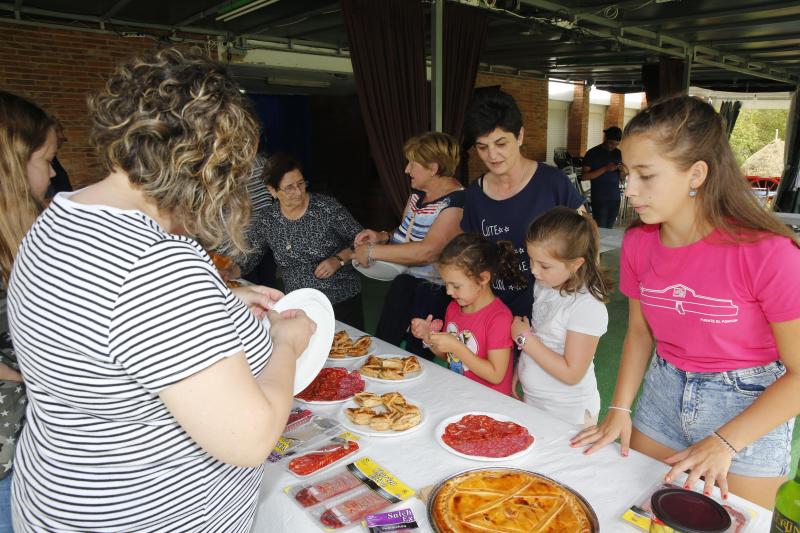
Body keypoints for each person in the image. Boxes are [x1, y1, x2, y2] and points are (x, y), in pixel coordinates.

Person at [7, 48, 315, 531]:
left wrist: (220, 300)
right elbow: (249, 437)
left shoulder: (61, 217)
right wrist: (285, 344)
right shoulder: (154, 262)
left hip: (65, 495)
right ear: (205, 166)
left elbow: (103, 319)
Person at [571, 95, 800, 509]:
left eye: (646, 175)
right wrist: (620, 407)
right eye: (627, 174)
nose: (631, 189)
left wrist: (725, 442)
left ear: (696, 174)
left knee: (734, 521)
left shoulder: (769, 252)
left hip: (747, 406)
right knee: (640, 513)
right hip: (663, 392)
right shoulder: (639, 243)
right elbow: (639, 333)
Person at [461, 90, 585, 318]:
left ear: (519, 136)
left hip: (552, 310)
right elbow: (472, 254)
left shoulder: (553, 182)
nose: (492, 155)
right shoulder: (474, 195)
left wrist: (583, 299)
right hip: (498, 311)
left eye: (501, 143)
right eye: (482, 147)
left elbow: (587, 236)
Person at [0, 89, 57, 533]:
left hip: (34, 439)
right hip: (7, 454)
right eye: (46, 160)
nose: (53, 173)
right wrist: (35, 378)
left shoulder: (23, 236)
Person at [354, 132, 464, 357]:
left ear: (433, 168)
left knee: (418, 354)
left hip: (435, 291)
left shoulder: (458, 201)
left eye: (413, 163)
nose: (407, 169)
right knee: (383, 345)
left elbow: (428, 250)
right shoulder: (418, 196)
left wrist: (373, 251)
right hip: (405, 282)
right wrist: (382, 236)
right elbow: (406, 234)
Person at [510, 207, 611, 426]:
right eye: (531, 260)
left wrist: (524, 340)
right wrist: (522, 366)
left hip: (568, 415)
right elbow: (545, 337)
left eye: (544, 265)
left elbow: (571, 373)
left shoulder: (587, 306)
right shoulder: (546, 284)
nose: (534, 271)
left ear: (576, 264)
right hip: (536, 403)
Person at [410, 233, 522, 395]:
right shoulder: (453, 308)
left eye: (456, 286)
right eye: (446, 284)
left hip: (490, 403)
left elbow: (496, 375)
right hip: (459, 393)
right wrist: (430, 338)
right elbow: (451, 358)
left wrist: (457, 346)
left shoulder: (499, 318)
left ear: (483, 278)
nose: (448, 291)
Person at [263, 153, 365, 329]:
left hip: (340, 300)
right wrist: (230, 268)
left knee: (348, 351)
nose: (298, 192)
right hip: (299, 306)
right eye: (289, 187)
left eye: (301, 183)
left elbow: (363, 240)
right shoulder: (268, 219)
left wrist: (338, 260)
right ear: (272, 190)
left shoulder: (327, 208)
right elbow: (249, 255)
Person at [581, 126, 624, 229]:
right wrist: (605, 168)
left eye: (616, 144)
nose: (613, 147)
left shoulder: (618, 153)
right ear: (605, 138)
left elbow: (622, 178)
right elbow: (584, 176)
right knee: (600, 229)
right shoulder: (592, 153)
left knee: (609, 229)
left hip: (615, 198)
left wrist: (623, 171)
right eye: (611, 143)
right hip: (600, 198)